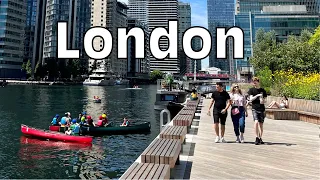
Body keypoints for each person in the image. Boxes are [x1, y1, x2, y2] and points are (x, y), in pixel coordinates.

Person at [248, 77, 267, 145]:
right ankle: (256, 137)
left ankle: (260, 137)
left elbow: (265, 100)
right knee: (256, 122)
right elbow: (251, 99)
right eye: (253, 81)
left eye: (255, 81)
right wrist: (257, 95)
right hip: (254, 108)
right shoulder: (251, 90)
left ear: (258, 82)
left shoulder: (262, 90)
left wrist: (263, 101)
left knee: (261, 124)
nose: (254, 83)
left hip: (261, 108)